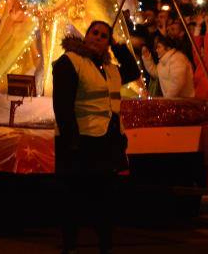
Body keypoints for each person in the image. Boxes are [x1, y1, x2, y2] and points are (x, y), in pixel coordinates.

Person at [52, 20, 142, 253]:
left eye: (104, 36)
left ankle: (105, 245)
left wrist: (118, 45)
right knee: (73, 197)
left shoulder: (110, 69)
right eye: (95, 33)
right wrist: (71, 142)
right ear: (86, 35)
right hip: (81, 141)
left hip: (106, 142)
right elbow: (62, 106)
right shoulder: (70, 61)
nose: (98, 37)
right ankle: (70, 245)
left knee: (105, 199)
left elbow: (133, 71)